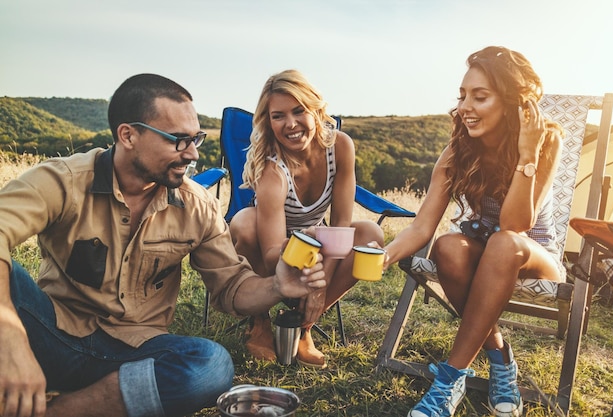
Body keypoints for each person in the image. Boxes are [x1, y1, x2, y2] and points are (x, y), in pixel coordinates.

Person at [0, 73, 326, 417]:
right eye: (178, 140)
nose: (192, 154)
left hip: (136, 353)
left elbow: (232, 286)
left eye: (196, 139)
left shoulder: (196, 205)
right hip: (51, 337)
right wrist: (11, 338)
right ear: (128, 135)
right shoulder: (63, 181)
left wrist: (276, 285)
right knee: (11, 280)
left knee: (211, 365)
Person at [381, 46, 565, 417]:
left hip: (531, 251)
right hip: (483, 246)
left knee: (503, 241)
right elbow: (422, 227)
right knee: (448, 246)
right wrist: (385, 255)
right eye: (462, 95)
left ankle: (449, 379)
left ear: (513, 102)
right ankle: (500, 359)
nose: (465, 106)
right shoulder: (457, 151)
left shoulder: (545, 141)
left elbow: (516, 227)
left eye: (480, 96)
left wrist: (527, 155)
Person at [228, 69, 384, 368]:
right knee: (244, 223)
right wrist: (311, 264)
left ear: (316, 110)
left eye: (299, 111)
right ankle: (258, 319)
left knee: (370, 236)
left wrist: (319, 286)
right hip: (276, 249)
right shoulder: (272, 170)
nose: (290, 124)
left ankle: (303, 325)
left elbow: (340, 226)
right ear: (268, 121)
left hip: (320, 238)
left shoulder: (339, 146)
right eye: (278, 116)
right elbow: (274, 252)